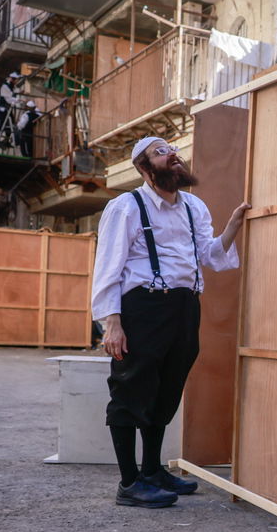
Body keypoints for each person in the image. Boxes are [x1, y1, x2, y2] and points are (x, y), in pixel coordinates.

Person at [91, 136, 250, 508]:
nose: (172, 155)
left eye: (172, 150)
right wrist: (111, 322)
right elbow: (107, 267)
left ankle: (152, 471)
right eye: (160, 152)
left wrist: (233, 226)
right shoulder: (126, 207)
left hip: (184, 307)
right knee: (131, 389)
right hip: (142, 308)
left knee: (166, 389)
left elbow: (209, 255)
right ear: (144, 169)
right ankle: (129, 483)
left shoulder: (194, 206)